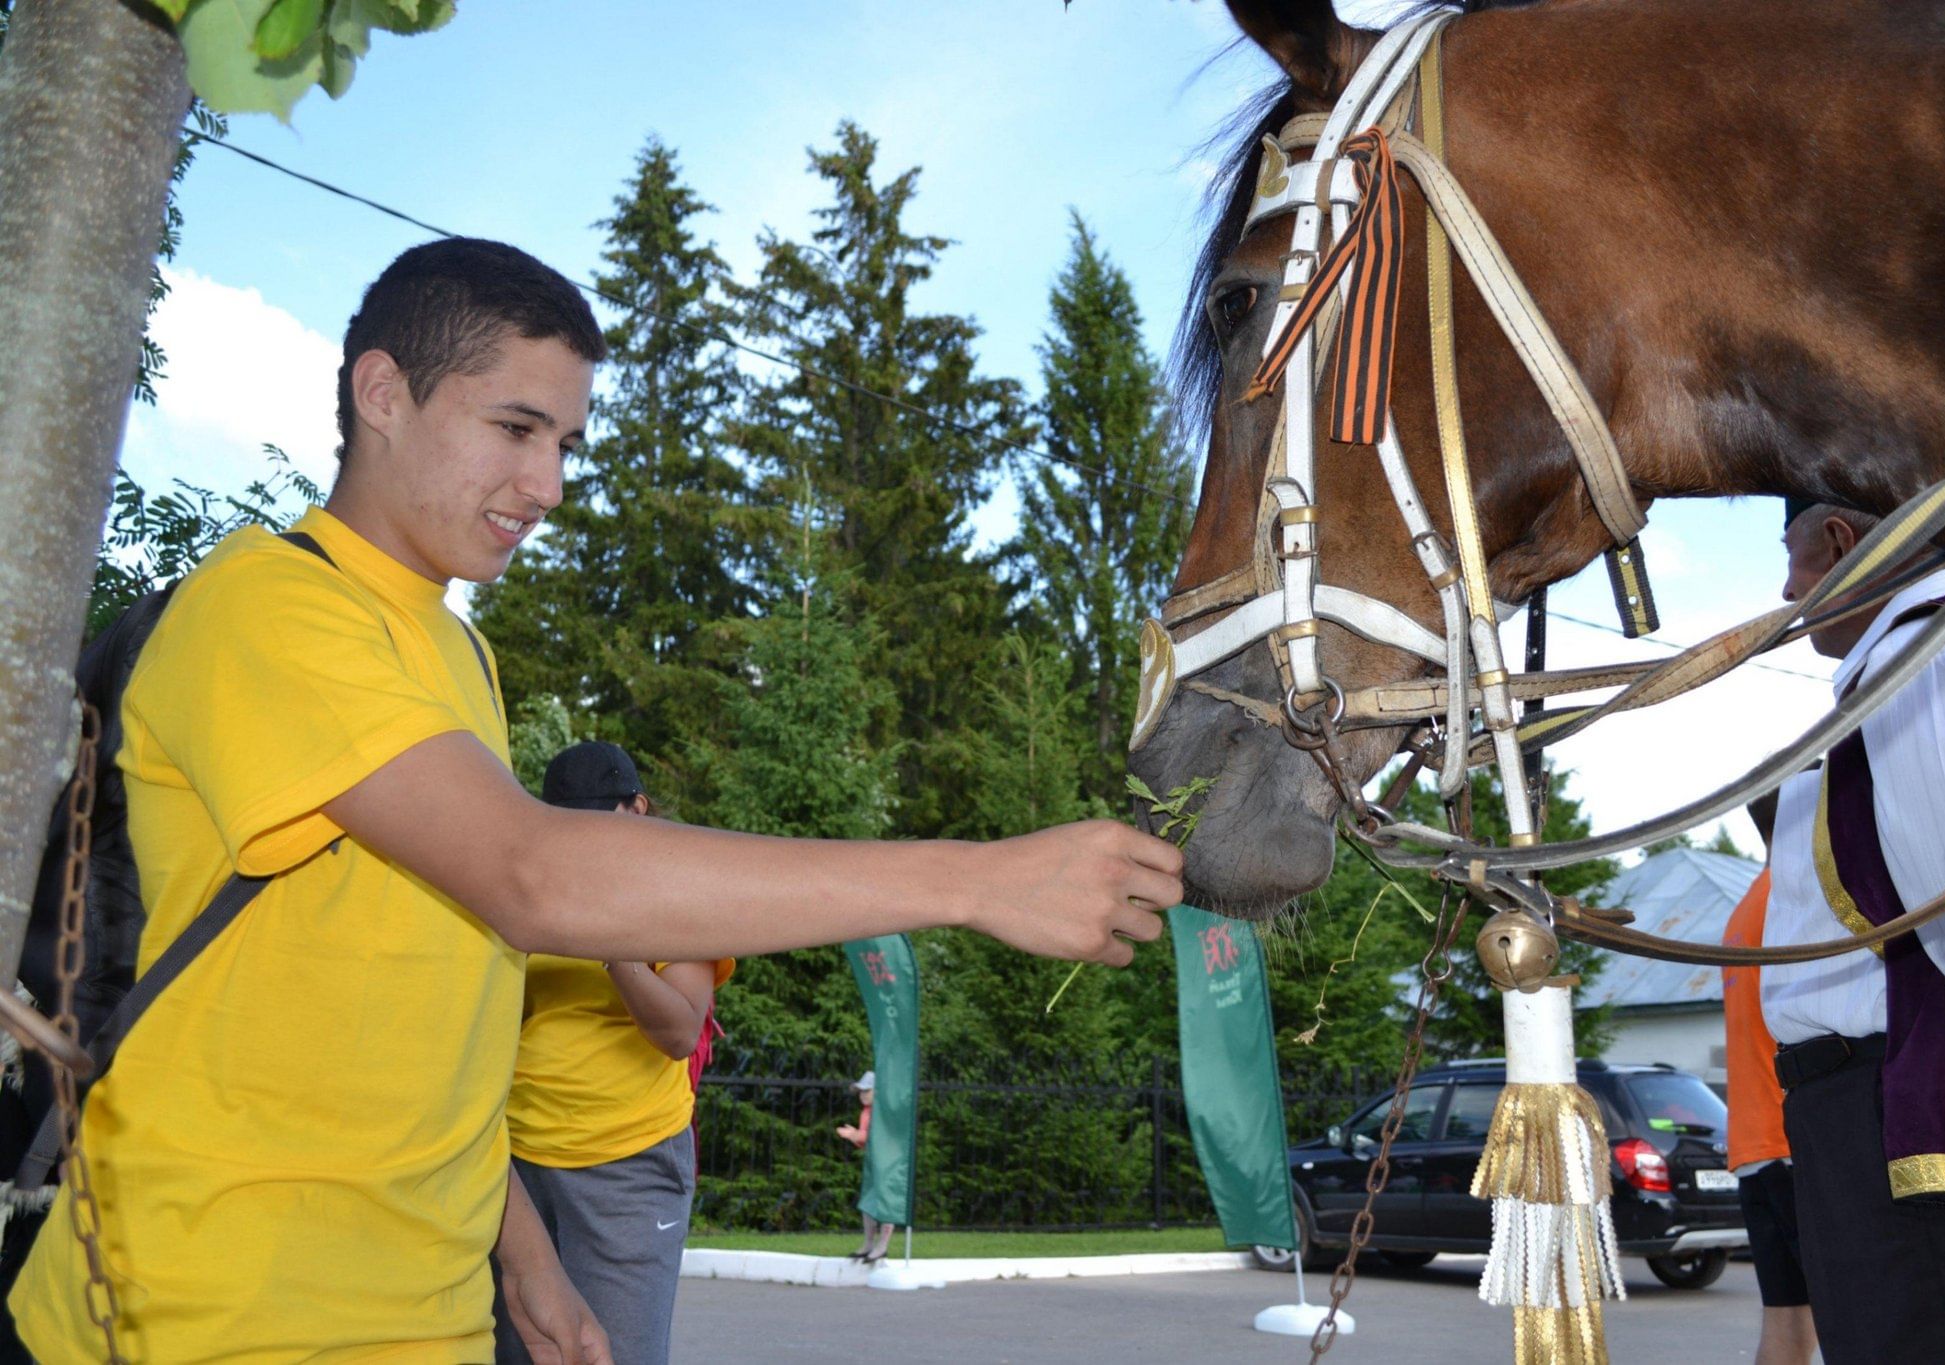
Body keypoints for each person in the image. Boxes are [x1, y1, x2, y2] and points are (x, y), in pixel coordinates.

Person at [8, 237, 1181, 1363]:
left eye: (567, 441)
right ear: (381, 392)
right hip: (202, 1312)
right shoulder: (266, 608)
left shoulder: (457, 657)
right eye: (515, 428)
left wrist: (526, 1261)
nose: (549, 483)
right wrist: (975, 878)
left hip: (421, 1315)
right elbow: (535, 878)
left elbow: (429, 1017)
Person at [1760, 498, 1945, 1363]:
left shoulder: (1929, 660)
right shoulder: (1929, 656)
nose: (1787, 590)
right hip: (1892, 1117)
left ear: (1843, 538)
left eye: (1795, 558)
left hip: (1923, 1128)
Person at [494, 741, 731, 1365]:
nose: (586, 838)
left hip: (624, 1162)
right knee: (523, 1352)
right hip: (516, 1163)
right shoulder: (530, 896)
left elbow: (679, 1032)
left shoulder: (681, 897)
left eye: (601, 818)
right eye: (568, 822)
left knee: (616, 1355)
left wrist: (608, 942)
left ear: (639, 808)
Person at [1720, 859, 1817, 1365]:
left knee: (1787, 1318)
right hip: (1795, 1143)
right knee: (1859, 1313)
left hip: (1758, 1145)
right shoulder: (1798, 892)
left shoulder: (1748, 907)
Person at [834, 1070, 893, 1263]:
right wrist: (856, 1136)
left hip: (886, 1162)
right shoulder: (866, 1112)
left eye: (867, 1091)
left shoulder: (882, 1111)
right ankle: (868, 1243)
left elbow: (877, 1136)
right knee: (868, 1201)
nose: (863, 1095)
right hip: (872, 1160)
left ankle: (882, 1245)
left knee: (884, 1202)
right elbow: (865, 1139)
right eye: (861, 1091)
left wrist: (854, 1135)